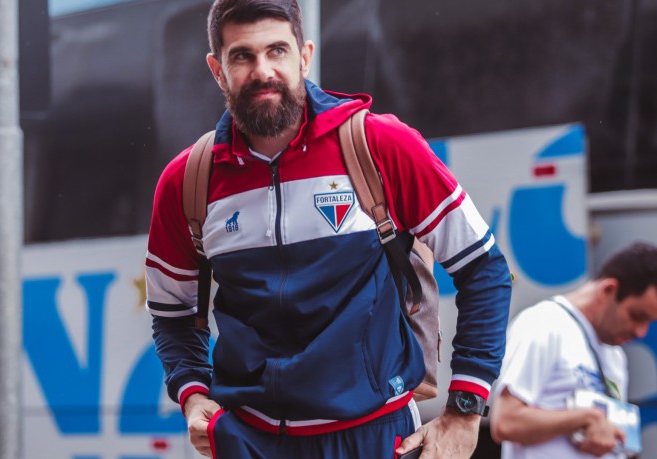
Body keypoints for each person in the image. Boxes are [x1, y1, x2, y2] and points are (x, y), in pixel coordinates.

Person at [144, 0, 512, 457]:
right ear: (218, 71)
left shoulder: (379, 145)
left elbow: (484, 268)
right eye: (242, 56)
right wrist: (193, 393)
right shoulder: (188, 181)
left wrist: (465, 409)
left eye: (277, 51)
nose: (263, 71)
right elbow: (172, 313)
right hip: (248, 440)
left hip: (376, 437)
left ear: (304, 56)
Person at [491, 242, 657, 458]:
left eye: (649, 322)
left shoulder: (615, 355)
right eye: (636, 316)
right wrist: (584, 418)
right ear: (608, 289)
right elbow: (506, 422)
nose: (641, 332)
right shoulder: (543, 324)